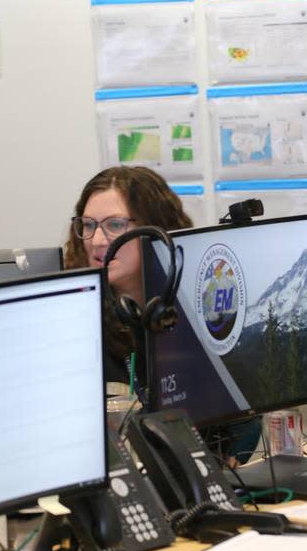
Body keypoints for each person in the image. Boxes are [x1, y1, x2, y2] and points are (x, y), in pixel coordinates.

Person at [64, 166, 259, 463]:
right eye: (88, 225)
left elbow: (245, 421)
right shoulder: (74, 324)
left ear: (156, 228)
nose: (98, 240)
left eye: (114, 225)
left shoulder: (199, 314)